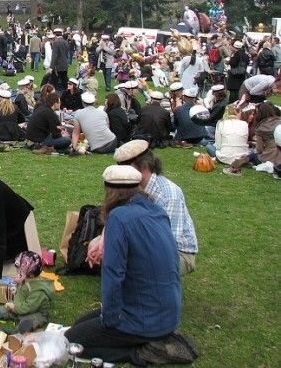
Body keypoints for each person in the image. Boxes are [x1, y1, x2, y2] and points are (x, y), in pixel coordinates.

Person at [67, 165, 181, 364]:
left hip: (144, 317)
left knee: (71, 342)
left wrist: (109, 321)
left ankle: (140, 352)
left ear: (109, 192)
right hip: (166, 314)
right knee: (78, 325)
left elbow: (113, 275)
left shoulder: (118, 218)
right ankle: (148, 339)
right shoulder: (157, 211)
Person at [88, 140, 198, 275]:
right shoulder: (130, 186)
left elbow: (167, 245)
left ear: (144, 166)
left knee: (122, 256)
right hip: (145, 242)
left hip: (177, 253)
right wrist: (103, 241)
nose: (121, 173)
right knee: (95, 244)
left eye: (125, 167)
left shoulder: (169, 194)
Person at [0, 251, 54, 333]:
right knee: (6, 309)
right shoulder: (26, 279)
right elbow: (20, 290)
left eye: (19, 270)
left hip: (35, 312)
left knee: (31, 320)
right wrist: (15, 288)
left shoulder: (38, 292)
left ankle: (18, 332)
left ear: (28, 272)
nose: (17, 271)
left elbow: (28, 307)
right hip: (20, 304)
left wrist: (14, 308)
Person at [223, 103, 281, 176]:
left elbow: (259, 150)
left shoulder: (261, 128)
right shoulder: (279, 122)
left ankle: (235, 165)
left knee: (252, 154)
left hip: (269, 158)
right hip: (279, 158)